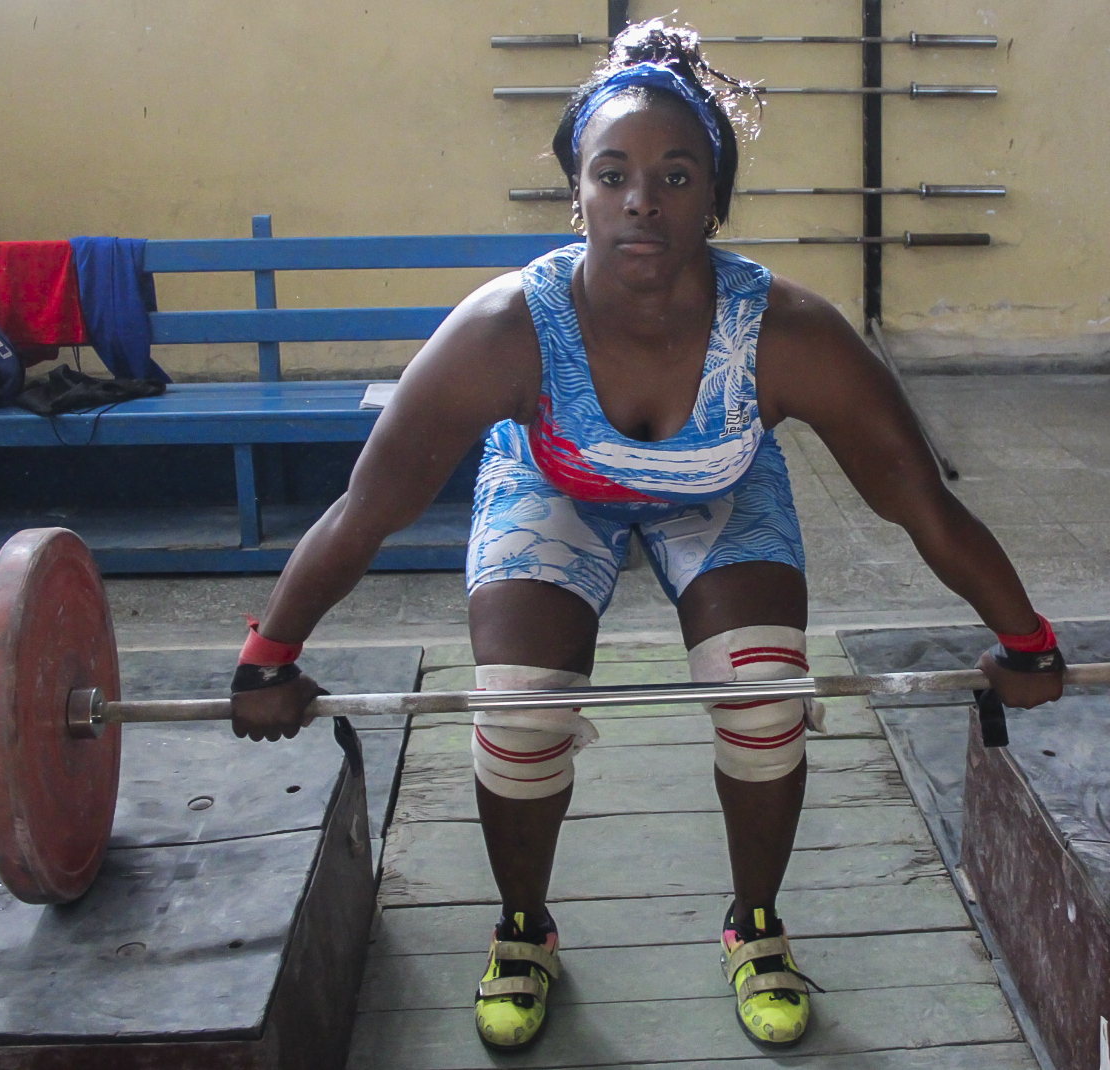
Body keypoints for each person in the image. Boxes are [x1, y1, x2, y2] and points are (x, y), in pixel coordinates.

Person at [228, 20, 1064, 1053]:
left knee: (763, 692)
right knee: (521, 711)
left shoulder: (789, 335)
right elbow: (369, 506)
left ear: (714, 197)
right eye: (613, 173)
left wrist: (1028, 641)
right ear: (573, 191)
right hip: (553, 483)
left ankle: (755, 924)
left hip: (719, 485)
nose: (642, 199)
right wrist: (269, 654)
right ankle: (523, 929)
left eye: (676, 175)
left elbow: (923, 505)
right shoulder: (505, 330)